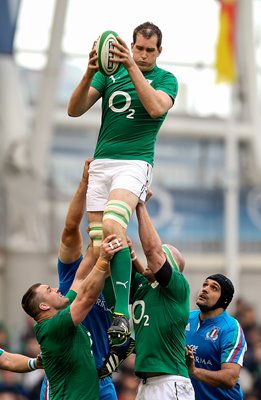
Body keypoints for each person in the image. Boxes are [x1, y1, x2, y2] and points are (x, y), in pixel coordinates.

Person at [67, 21, 179, 346]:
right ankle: (113, 326)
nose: (142, 55)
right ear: (131, 45)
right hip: (102, 163)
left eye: (149, 50)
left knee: (116, 224)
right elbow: (74, 110)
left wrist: (131, 68)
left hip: (135, 162)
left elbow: (156, 108)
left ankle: (121, 314)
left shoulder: (165, 79)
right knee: (100, 245)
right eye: (138, 49)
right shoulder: (108, 73)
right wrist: (89, 73)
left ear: (159, 51)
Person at [38, 158, 120, 400]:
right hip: (68, 376)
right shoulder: (72, 271)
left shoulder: (120, 282)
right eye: (99, 228)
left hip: (100, 377)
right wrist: (85, 183)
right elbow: (70, 227)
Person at [100, 196, 195, 400]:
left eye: (163, 255)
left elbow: (153, 252)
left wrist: (139, 202)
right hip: (146, 384)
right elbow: (113, 276)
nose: (154, 258)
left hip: (171, 381)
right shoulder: (145, 288)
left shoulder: (177, 288)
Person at [21, 231, 122, 398]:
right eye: (49, 290)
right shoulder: (53, 327)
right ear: (44, 305)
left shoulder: (58, 316)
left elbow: (79, 279)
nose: (56, 289)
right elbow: (87, 298)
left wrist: (94, 244)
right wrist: (103, 260)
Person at [185, 274, 247, 400]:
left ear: (224, 300)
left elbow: (230, 378)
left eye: (214, 288)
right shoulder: (186, 318)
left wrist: (194, 371)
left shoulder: (230, 329)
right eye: (205, 284)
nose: (205, 289)